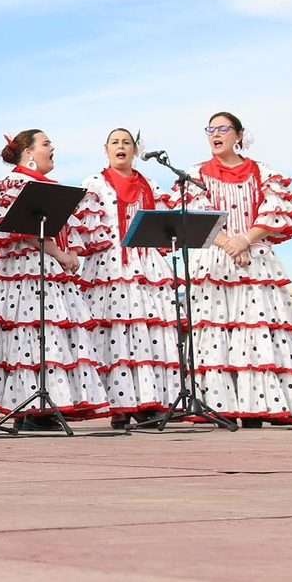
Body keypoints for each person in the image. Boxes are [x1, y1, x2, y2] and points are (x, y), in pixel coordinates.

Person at [171, 112, 292, 425]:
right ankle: (222, 405)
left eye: (223, 129)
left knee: (257, 331)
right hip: (215, 261)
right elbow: (195, 212)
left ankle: (264, 405)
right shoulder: (195, 173)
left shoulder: (262, 171)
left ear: (239, 135)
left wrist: (245, 240)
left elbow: (273, 209)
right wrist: (228, 244)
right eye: (210, 129)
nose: (215, 134)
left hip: (256, 260)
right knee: (217, 332)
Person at [0, 130, 109, 428]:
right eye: (46, 144)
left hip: (19, 276)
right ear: (29, 153)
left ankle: (28, 407)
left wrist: (68, 252)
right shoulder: (26, 184)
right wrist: (63, 256)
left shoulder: (14, 184)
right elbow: (31, 233)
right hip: (32, 272)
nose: (52, 148)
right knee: (41, 334)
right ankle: (37, 409)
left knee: (25, 337)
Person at [78, 129, 182, 427]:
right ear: (106, 149)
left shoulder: (150, 183)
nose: (121, 146)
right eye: (115, 142)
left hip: (146, 266)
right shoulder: (94, 183)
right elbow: (86, 226)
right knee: (115, 335)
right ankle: (118, 405)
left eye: (126, 142)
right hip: (110, 266)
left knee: (149, 334)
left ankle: (150, 402)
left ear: (135, 150)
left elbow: (164, 222)